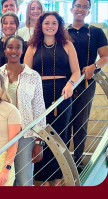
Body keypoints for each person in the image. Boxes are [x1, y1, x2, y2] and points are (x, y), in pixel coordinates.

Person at [24, 11, 81, 186]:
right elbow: (26, 73)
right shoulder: (33, 46)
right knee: (41, 136)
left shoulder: (67, 45)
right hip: (39, 93)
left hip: (62, 94)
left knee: (60, 136)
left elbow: (77, 71)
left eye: (54, 23)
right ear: (40, 26)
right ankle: (43, 180)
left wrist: (71, 84)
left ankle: (57, 180)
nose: (50, 26)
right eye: (46, 23)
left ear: (59, 25)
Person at [66, 0, 108, 171]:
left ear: (88, 11)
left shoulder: (95, 32)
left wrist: (94, 66)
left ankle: (77, 161)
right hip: (65, 83)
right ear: (71, 8)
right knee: (64, 122)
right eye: (77, 5)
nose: (80, 9)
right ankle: (63, 163)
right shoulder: (63, 32)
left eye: (84, 6)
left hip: (86, 82)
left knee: (80, 123)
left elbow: (105, 56)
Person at [0, 35, 47, 186]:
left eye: (18, 47)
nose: (14, 51)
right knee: (3, 180)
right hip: (2, 134)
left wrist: (40, 141)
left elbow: (39, 109)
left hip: (25, 134)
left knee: (24, 180)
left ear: (22, 50)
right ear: (5, 50)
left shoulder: (33, 76)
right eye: (10, 47)